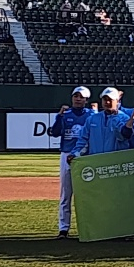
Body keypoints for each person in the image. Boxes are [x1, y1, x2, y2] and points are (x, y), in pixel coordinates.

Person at [48, 87, 93, 238]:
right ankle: (63, 228)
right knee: (66, 194)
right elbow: (54, 133)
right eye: (76, 96)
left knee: (87, 195)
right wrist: (59, 117)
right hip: (67, 154)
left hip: (84, 155)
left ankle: (88, 227)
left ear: (86, 100)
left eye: (81, 97)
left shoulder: (91, 115)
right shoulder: (65, 115)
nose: (78, 99)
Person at [79, 87, 133, 158]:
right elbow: (83, 139)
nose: (107, 102)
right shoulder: (92, 119)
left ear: (117, 101)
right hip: (95, 161)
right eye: (105, 99)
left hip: (116, 161)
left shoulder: (124, 118)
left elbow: (123, 137)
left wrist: (115, 118)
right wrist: (76, 153)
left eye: (110, 100)